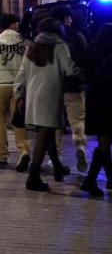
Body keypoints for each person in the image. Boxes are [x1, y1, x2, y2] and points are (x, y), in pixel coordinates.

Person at [15, 18, 81, 191]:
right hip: (50, 95)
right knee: (45, 134)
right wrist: (81, 73)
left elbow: (22, 72)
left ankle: (57, 168)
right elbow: (69, 69)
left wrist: (19, 94)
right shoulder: (60, 46)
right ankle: (33, 176)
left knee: (48, 132)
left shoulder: (32, 46)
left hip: (32, 95)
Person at [0, 14, 28, 169]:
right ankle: (23, 150)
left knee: (0, 120)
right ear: (12, 25)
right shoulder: (24, 43)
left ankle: (2, 155)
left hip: (1, 84)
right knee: (18, 119)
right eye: (16, 23)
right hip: (18, 85)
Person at [50, 5, 89, 172]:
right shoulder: (78, 37)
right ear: (65, 19)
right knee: (78, 119)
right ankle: (80, 146)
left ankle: (56, 157)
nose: (71, 19)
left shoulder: (49, 39)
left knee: (55, 122)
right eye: (69, 17)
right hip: (74, 85)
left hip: (54, 86)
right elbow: (86, 59)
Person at [81, 23, 112, 197]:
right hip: (106, 102)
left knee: (104, 141)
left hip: (95, 99)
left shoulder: (93, 49)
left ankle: (99, 178)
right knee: (105, 142)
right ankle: (90, 180)